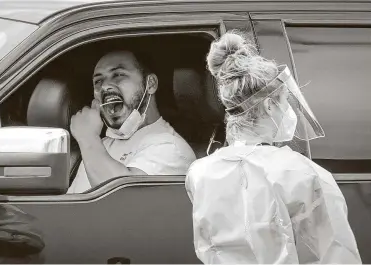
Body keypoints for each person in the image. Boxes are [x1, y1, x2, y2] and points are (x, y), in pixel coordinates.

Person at [185, 31, 362, 264]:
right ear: (269, 105)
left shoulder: (199, 174)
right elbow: (338, 256)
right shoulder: (303, 174)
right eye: (285, 100)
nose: (288, 109)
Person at [67, 49, 196, 193]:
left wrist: (88, 137)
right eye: (98, 81)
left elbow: (120, 198)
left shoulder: (172, 149)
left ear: (151, 84)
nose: (105, 87)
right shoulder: (102, 145)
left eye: (118, 75)